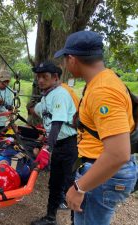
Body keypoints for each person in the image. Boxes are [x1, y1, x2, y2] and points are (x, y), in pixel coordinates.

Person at [55, 30, 137, 225]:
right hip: (97, 167)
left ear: (72, 59)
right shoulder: (101, 81)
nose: (65, 64)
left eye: (65, 59)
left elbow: (118, 153)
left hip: (103, 173)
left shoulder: (103, 91)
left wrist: (79, 187)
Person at [30, 61, 78, 225]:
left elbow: (57, 122)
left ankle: (76, 221)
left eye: (45, 77)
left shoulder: (60, 94)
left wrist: (47, 148)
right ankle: (51, 218)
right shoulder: (47, 96)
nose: (41, 80)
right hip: (57, 145)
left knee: (71, 185)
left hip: (68, 145)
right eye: (38, 77)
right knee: (55, 183)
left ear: (56, 77)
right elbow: (36, 110)